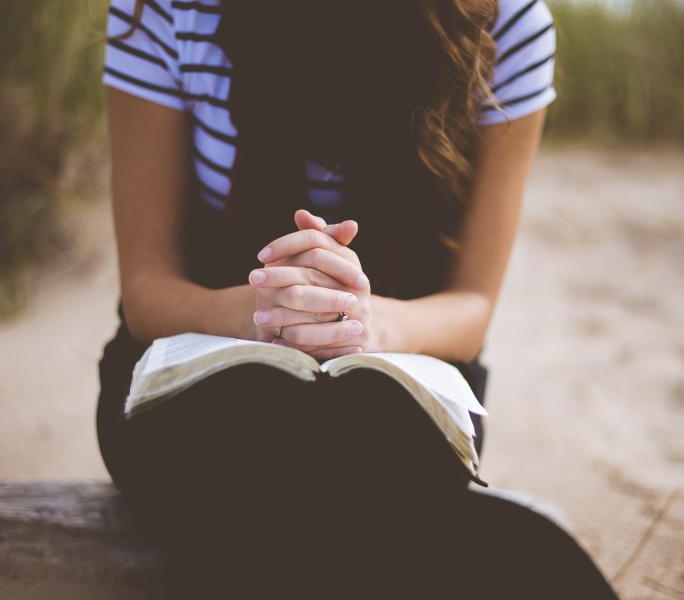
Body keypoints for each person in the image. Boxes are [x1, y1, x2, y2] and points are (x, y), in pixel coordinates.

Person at [96, 0, 619, 597]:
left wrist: (364, 326)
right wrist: (266, 312)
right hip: (197, 364)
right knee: (253, 455)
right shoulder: (169, 9)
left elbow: (472, 306)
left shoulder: (505, 24)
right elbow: (146, 292)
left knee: (366, 450)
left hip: (404, 374)